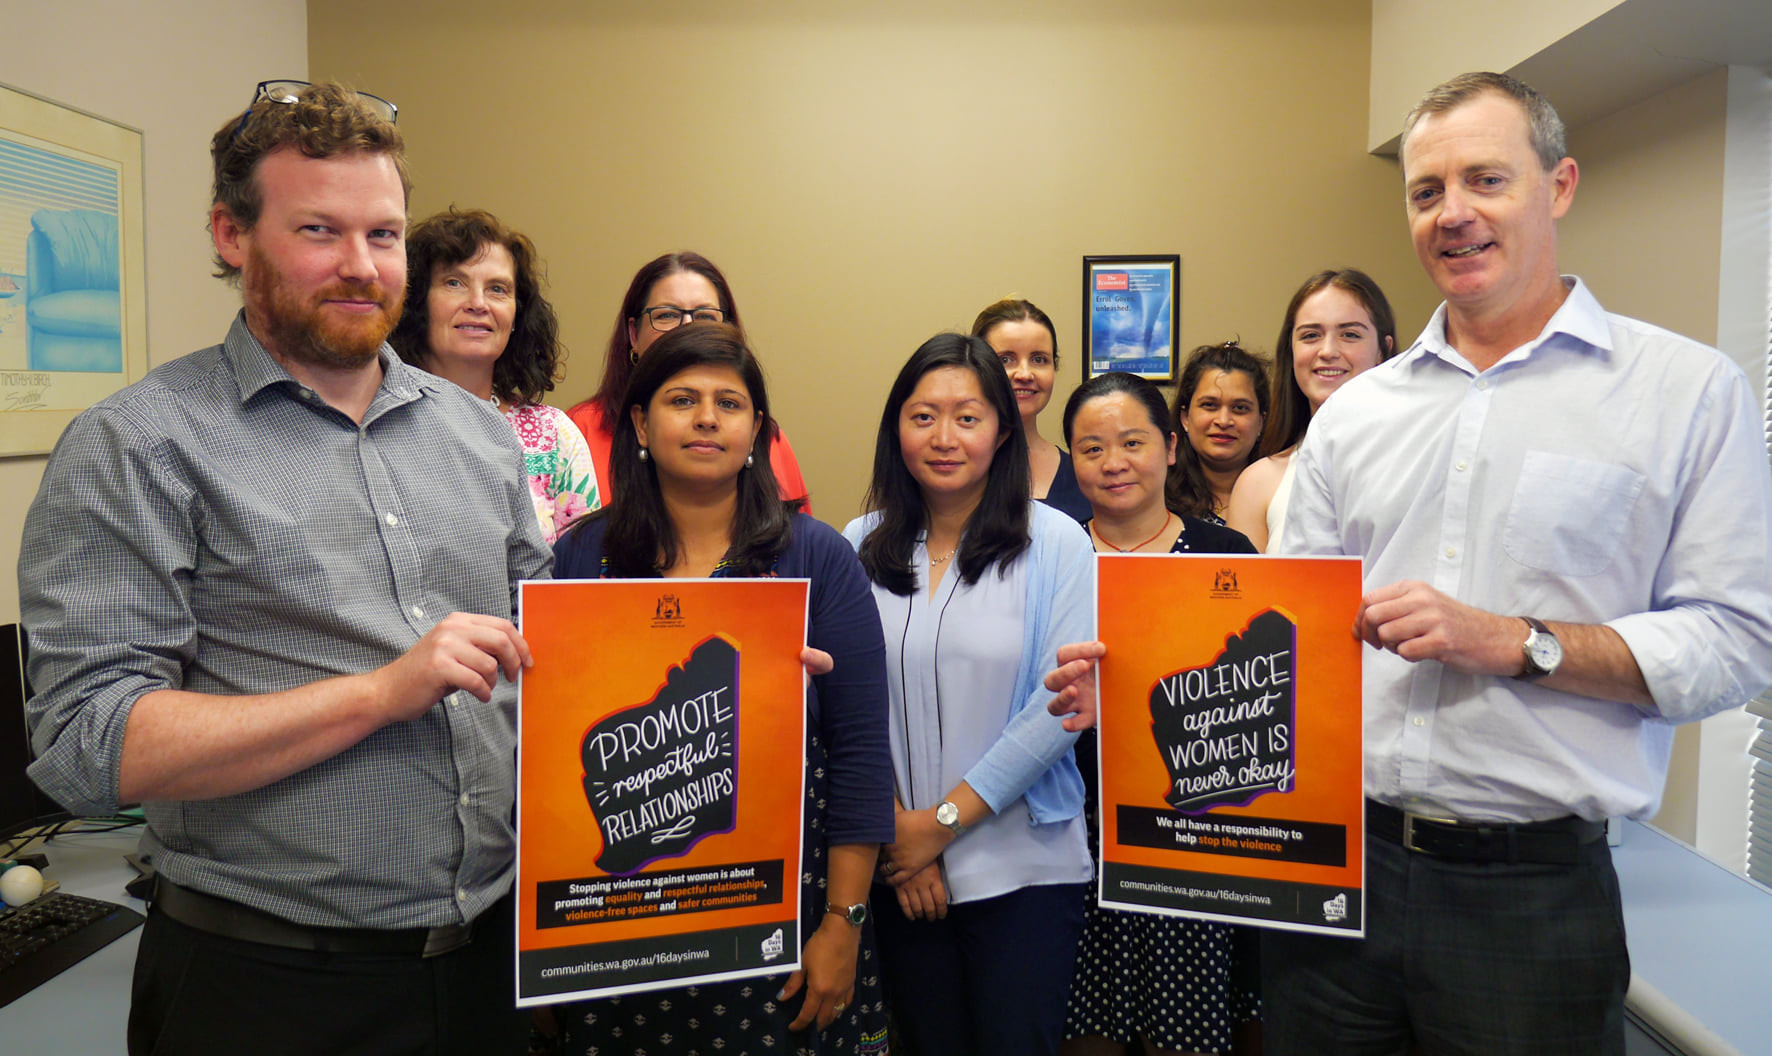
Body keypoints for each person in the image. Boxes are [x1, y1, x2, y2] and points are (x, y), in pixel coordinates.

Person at [18, 81, 550, 1054]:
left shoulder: (478, 436)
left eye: (383, 234)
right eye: (318, 231)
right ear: (232, 234)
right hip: (265, 990)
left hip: (486, 969)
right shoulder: (138, 446)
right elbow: (89, 744)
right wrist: (381, 693)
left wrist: (740, 686)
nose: (361, 266)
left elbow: (551, 654)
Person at [1259, 72, 1772, 1053]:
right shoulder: (1356, 414)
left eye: (1485, 180)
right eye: (1425, 191)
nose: (1452, 212)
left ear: (1559, 185)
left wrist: (1513, 642)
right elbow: (1284, 627)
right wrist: (1152, 688)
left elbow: (1737, 643)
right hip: (1336, 877)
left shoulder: (1684, 394)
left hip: (1532, 903)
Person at [552, 323, 893, 1056]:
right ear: (639, 424)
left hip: (784, 910)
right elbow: (545, 748)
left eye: (729, 404)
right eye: (682, 400)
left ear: (757, 430)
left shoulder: (817, 558)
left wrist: (844, 921)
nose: (707, 418)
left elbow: (862, 752)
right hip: (622, 915)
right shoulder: (583, 555)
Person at [843, 333, 1094, 1056]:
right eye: (923, 417)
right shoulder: (858, 543)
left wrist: (939, 826)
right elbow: (847, 705)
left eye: (968, 417)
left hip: (1025, 870)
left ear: (1003, 431)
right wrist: (901, 832)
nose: (944, 437)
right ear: (896, 428)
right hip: (899, 869)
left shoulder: (1057, 542)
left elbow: (1056, 711)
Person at [1057, 371, 1256, 1056]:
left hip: (1193, 829)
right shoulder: (1050, 555)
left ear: (1171, 447)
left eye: (1132, 442)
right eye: (1091, 449)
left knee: (1185, 1029)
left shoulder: (1226, 552)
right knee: (1084, 1027)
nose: (1113, 463)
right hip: (1073, 827)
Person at [391, 207, 599, 542]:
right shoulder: (378, 421)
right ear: (416, 303)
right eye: (455, 283)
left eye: (498, 289)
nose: (478, 303)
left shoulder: (555, 436)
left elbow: (581, 568)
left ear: (517, 316)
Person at [566, 252, 811, 508]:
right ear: (633, 335)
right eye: (667, 315)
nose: (687, 328)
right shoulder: (577, 432)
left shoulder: (766, 439)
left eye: (705, 316)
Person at [1224, 269, 1397, 552]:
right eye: (1311, 335)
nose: (1327, 351)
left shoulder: (1418, 464)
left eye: (1350, 334)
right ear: (1291, 350)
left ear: (1382, 350)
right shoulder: (1257, 483)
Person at [972, 298, 1091, 522]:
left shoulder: (1083, 473)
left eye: (1039, 359)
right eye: (1005, 359)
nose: (1025, 374)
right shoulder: (953, 466)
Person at [1164, 342, 1267, 524]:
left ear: (1260, 422)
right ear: (1185, 417)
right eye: (1210, 405)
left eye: (1240, 408)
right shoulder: (1157, 496)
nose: (1223, 421)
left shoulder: (1284, 491)